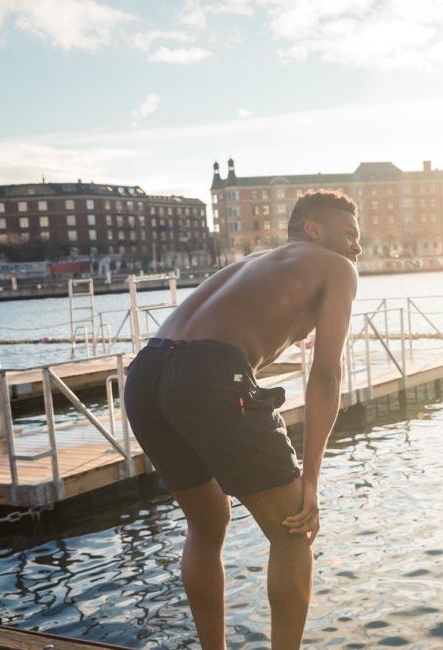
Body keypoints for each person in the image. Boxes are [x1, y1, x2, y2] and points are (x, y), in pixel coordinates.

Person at [123, 190, 362, 649]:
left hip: (147, 372)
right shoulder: (336, 268)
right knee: (294, 528)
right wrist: (310, 481)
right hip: (208, 372)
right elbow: (327, 375)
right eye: (350, 234)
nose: (357, 248)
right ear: (314, 230)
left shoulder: (256, 262)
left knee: (207, 521)